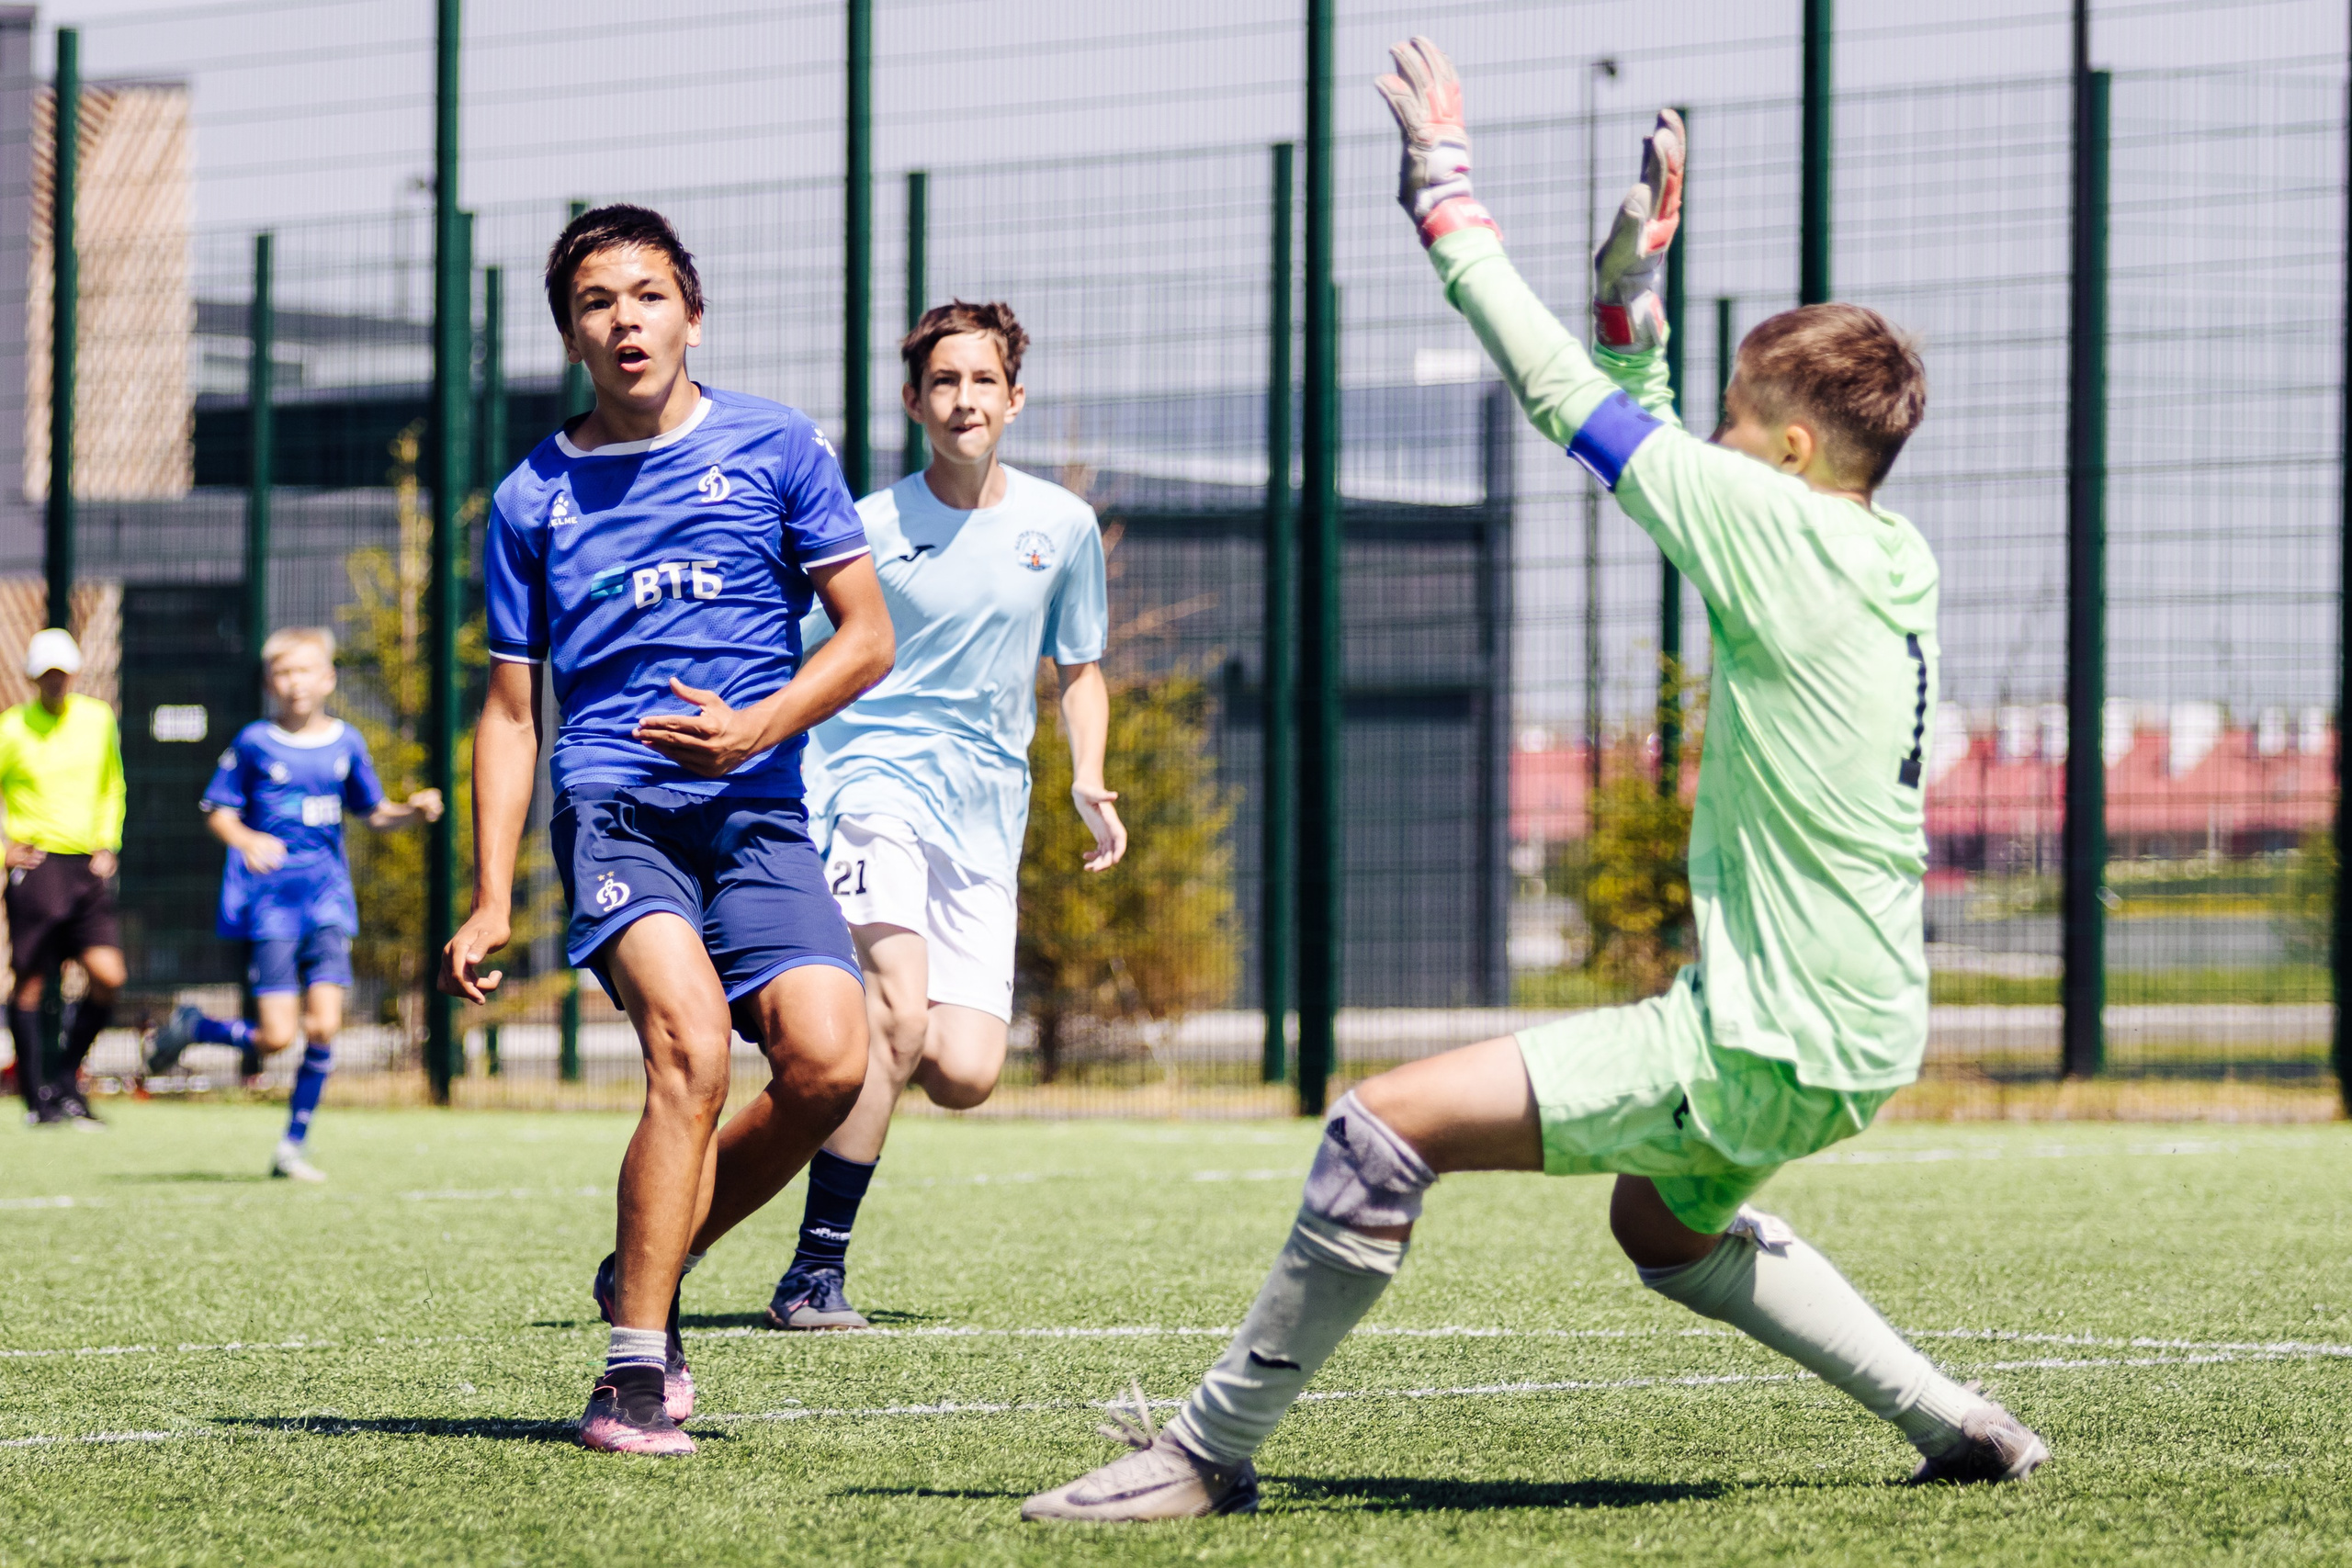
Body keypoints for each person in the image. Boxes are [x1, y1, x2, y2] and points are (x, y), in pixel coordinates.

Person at [1023, 39, 2046, 1523]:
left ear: (1798, 447)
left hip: (1769, 1030)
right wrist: (1634, 284)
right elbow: (1652, 417)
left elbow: (1571, 397)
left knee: (1383, 1127)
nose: (1713, 441)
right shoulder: (1879, 543)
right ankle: (1960, 1423)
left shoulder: (1778, 529)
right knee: (1663, 1226)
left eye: (1742, 421)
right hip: (1863, 1023)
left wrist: (1446, 200)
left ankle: (1201, 1453)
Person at [441, 204, 895, 1457]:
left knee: (829, 1063)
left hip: (756, 812)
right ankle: (632, 1371)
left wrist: (759, 728)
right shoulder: (533, 493)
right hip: (616, 810)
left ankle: (645, 1258)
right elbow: (510, 708)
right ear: (572, 336)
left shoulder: (779, 446)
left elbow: (866, 636)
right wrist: (488, 894)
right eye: (597, 301)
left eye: (646, 294)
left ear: (692, 310)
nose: (624, 318)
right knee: (689, 1047)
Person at [765, 299, 1123, 1332]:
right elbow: (795, 653)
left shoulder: (1060, 527)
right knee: (897, 1011)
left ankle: (805, 1087)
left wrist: (1085, 776)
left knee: (961, 1071)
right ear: (914, 402)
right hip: (865, 782)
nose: (963, 400)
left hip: (983, 810)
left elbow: (1081, 668)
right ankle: (813, 1272)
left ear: (1013, 399)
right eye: (943, 382)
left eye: (982, 381)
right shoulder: (865, 527)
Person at [147, 628, 442, 1181]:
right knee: (277, 1037)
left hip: (328, 901)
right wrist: (246, 839)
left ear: (328, 679)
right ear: (269, 683)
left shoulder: (346, 742)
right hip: (273, 908)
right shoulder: (256, 742)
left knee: (325, 1027)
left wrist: (412, 810)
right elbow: (217, 810)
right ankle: (196, 1027)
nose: (294, 682)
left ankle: (292, 1146)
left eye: (305, 671)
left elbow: (372, 812)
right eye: (283, 673)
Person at [0, 627, 126, 1128]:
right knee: (30, 983)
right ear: (33, 677)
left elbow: (112, 783)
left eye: (62, 672)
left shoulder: (97, 720)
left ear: (73, 673)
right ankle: (37, 1101)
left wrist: (107, 841)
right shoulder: (11, 728)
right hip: (36, 867)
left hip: (85, 868)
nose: (55, 681)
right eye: (46, 673)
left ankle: (65, 1080)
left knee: (108, 976)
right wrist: (6, 850)